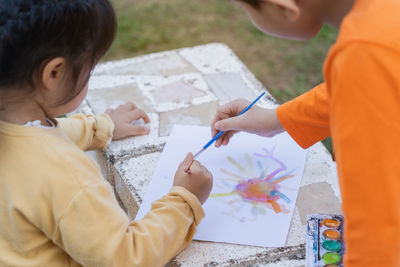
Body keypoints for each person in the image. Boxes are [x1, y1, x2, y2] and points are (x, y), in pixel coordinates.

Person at [0, 1, 213, 266]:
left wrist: (100, 127)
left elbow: (41, 136)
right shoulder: (65, 174)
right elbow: (125, 257)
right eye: (89, 68)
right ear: (54, 73)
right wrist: (185, 200)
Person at [211, 0, 400, 265]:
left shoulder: (364, 54)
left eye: (245, 8)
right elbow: (371, 86)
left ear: (284, 7)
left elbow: (378, 223)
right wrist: (276, 119)